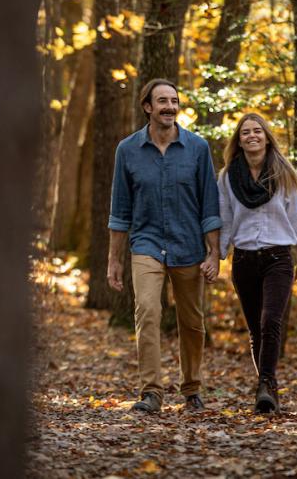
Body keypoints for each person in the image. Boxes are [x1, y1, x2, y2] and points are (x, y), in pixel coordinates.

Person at [107, 78, 222, 414]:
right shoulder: (127, 150)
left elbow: (209, 207)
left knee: (192, 321)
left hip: (188, 245)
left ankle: (192, 389)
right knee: (147, 311)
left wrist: (214, 253)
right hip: (146, 243)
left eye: (174, 101)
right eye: (162, 101)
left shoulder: (198, 149)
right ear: (148, 107)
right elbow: (119, 211)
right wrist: (114, 260)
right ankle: (151, 392)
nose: (170, 107)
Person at [218, 112, 297, 413]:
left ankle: (266, 385)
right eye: (245, 132)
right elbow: (226, 221)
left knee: (271, 320)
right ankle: (266, 385)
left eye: (258, 131)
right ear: (239, 140)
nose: (252, 136)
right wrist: (215, 257)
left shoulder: (283, 174)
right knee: (256, 328)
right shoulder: (228, 177)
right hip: (243, 261)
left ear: (267, 137)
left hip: (278, 258)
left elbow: (296, 220)